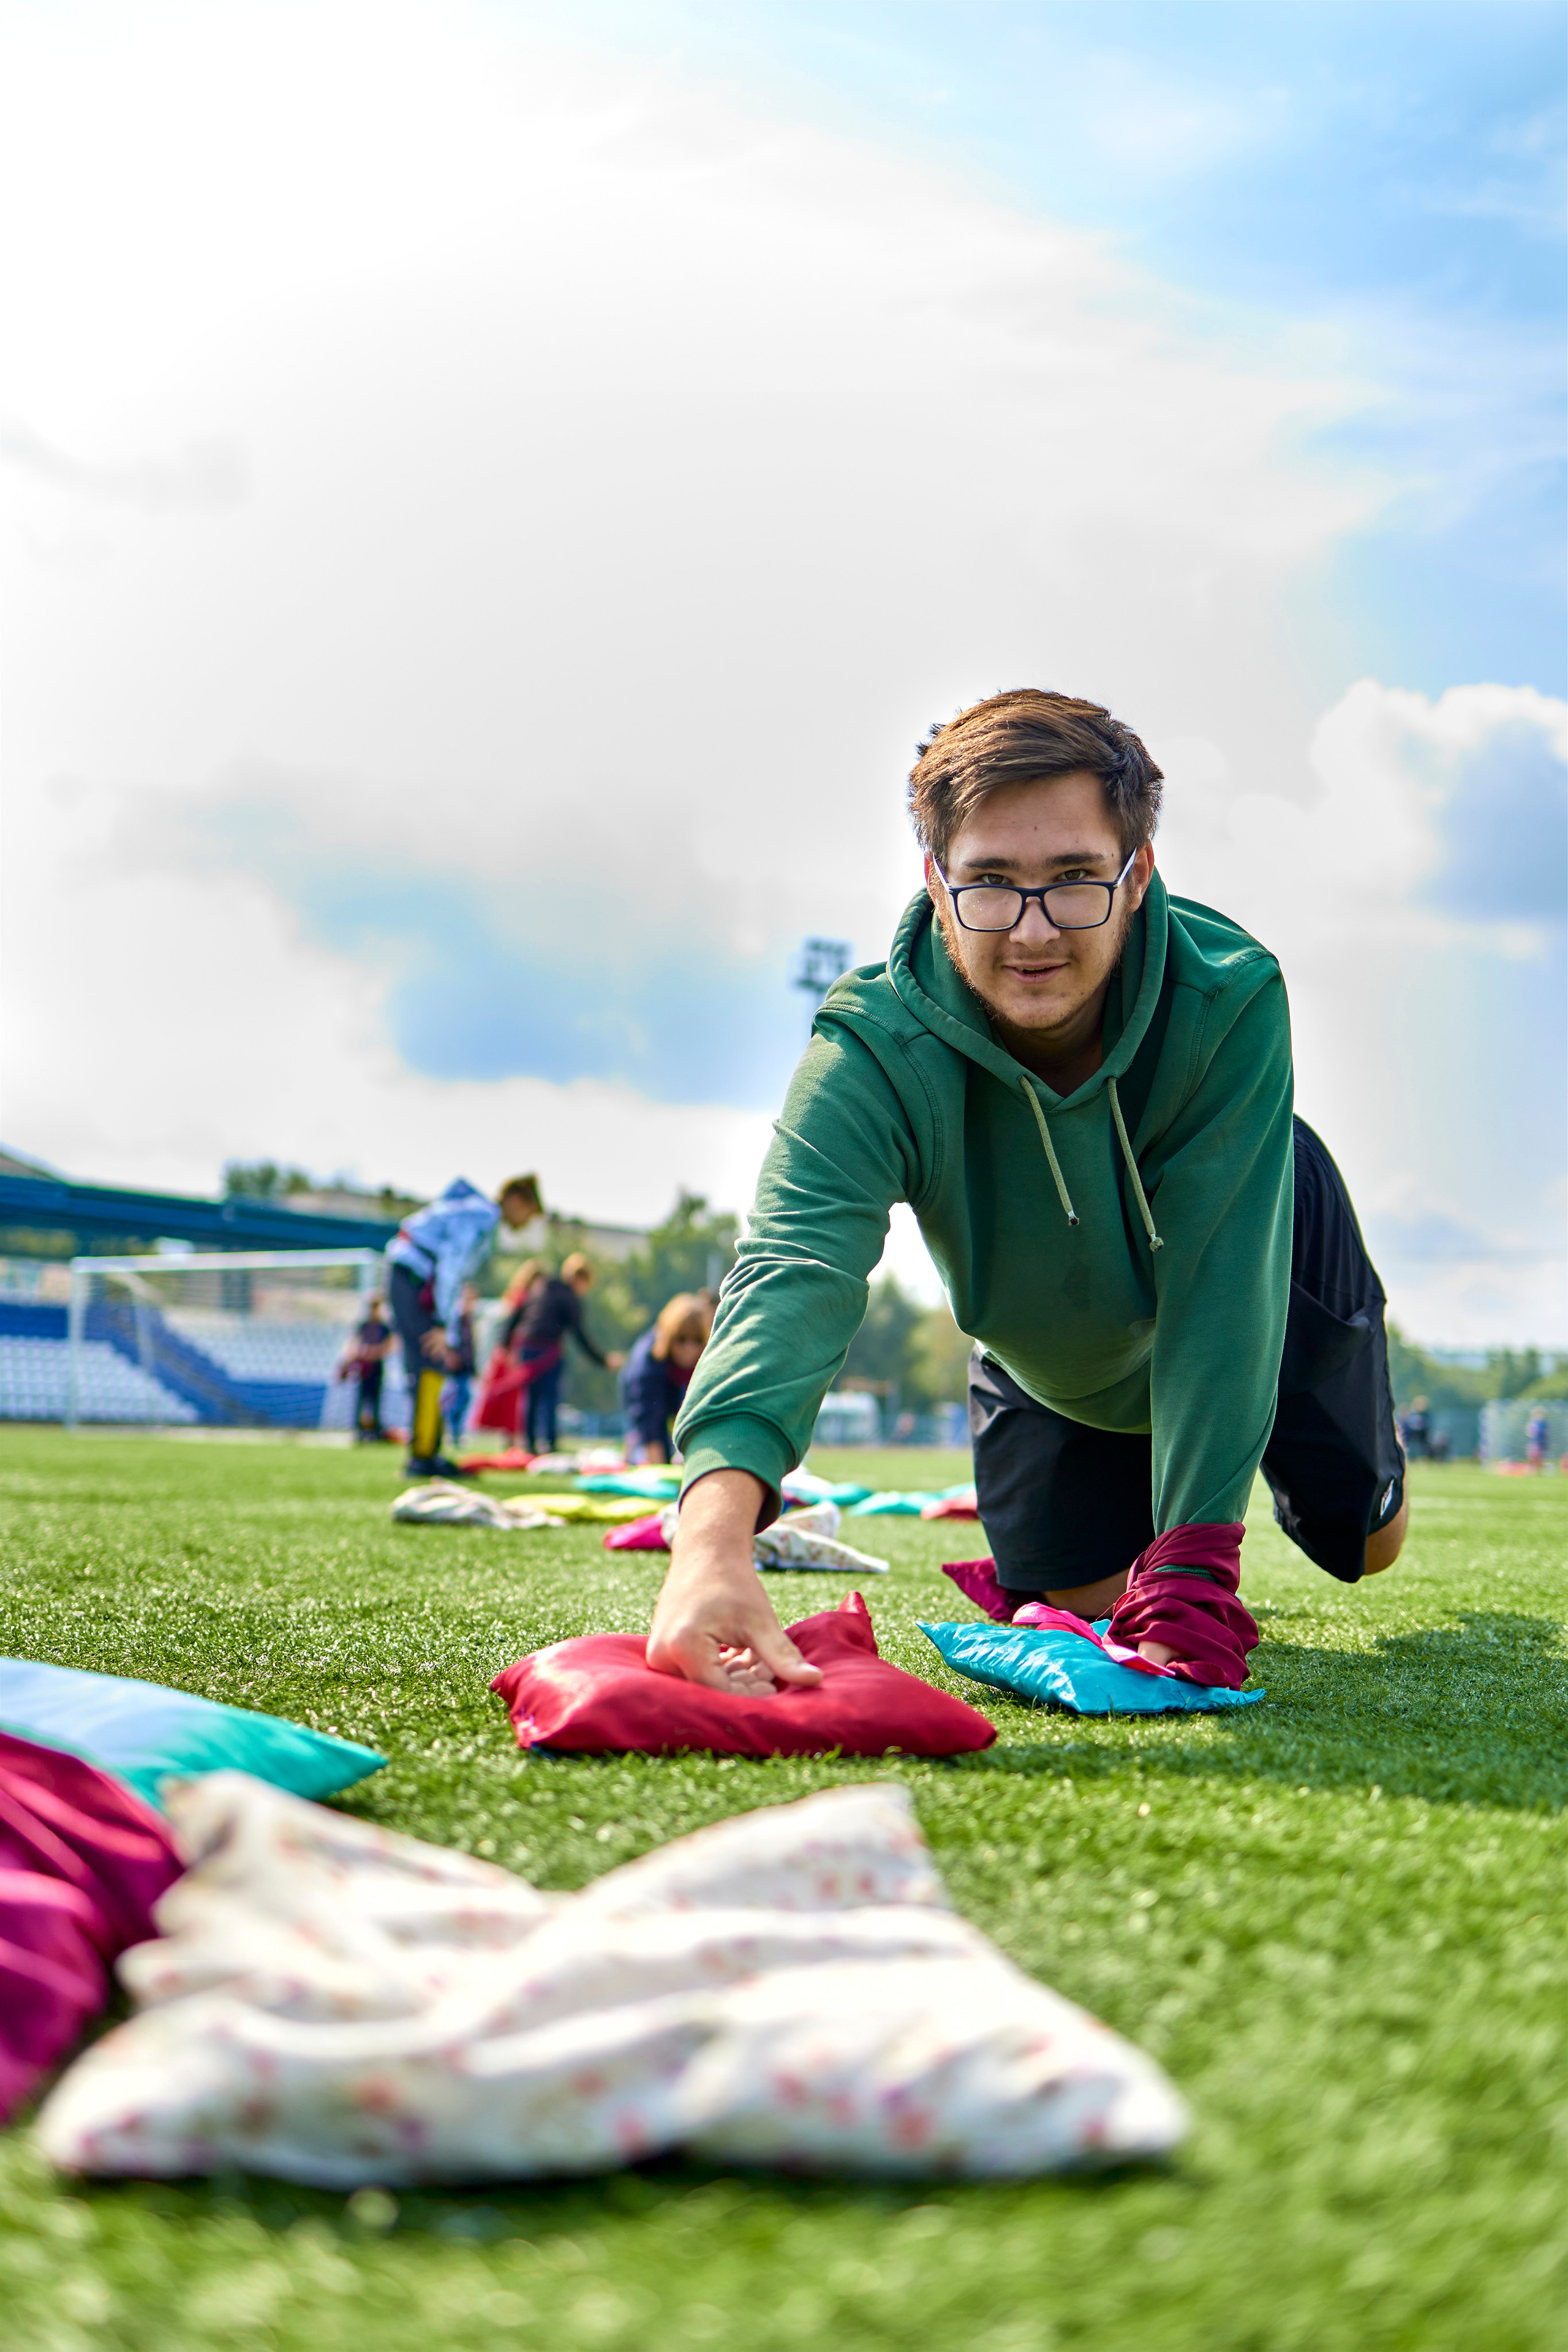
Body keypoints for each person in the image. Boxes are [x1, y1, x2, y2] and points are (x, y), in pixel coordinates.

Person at [648, 688, 1409, 1697]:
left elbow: (1221, 1294)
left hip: (1256, 1257)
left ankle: (1334, 1455)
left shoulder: (1228, 995)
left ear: (1137, 877)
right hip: (1050, 1348)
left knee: (1368, 1546)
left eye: (1075, 878)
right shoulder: (871, 1049)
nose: (1034, 930)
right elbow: (794, 1270)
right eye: (992, 883)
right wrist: (710, 1547)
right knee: (1079, 1598)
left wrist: (1194, 1567)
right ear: (935, 878)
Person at [385, 1175, 541, 1476]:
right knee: (428, 1362)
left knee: (433, 1363)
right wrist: (444, 1323)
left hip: (415, 1277)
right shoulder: (483, 1215)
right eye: (529, 1214)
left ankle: (429, 1451)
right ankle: (422, 1457)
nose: (525, 1222)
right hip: (413, 1277)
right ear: (516, 1201)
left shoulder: (476, 1210)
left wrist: (451, 1331)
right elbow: (452, 1264)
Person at [510, 1252, 625, 1457]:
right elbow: (580, 1335)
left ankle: (528, 1444)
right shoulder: (569, 1297)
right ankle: (550, 1444)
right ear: (581, 1279)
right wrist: (604, 1360)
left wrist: (505, 1344)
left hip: (525, 1347)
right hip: (547, 1352)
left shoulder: (542, 1286)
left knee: (531, 1397)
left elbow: (518, 1314)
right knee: (549, 1397)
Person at [620, 1294, 715, 1464]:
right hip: (645, 1394)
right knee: (648, 1440)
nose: (689, 1348)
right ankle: (631, 1455)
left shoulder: (708, 1359)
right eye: (682, 1339)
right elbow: (647, 1415)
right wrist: (660, 1466)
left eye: (697, 1340)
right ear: (670, 1337)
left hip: (676, 1389)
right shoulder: (647, 1360)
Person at [339, 1292, 393, 1442]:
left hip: (377, 1367)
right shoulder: (362, 1325)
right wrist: (352, 1357)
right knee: (361, 1399)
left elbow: (390, 1346)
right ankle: (359, 1431)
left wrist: (375, 1352)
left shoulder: (384, 1327)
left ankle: (374, 1431)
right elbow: (353, 1343)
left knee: (376, 1401)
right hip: (364, 1368)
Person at [442, 1283, 479, 1446]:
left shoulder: (469, 1320)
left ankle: (455, 1433)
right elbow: (451, 1341)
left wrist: (474, 1367)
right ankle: (449, 1429)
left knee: (463, 1398)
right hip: (456, 1367)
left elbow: (471, 1346)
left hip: (465, 1366)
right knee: (458, 1398)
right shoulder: (456, 1319)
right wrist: (451, 1357)